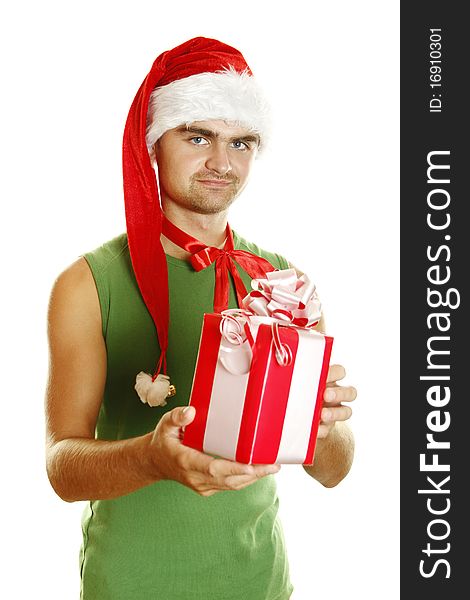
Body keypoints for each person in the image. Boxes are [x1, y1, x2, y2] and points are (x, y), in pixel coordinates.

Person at [45, 37, 356, 600]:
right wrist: (150, 458)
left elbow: (332, 471)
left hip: (259, 584)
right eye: (197, 137)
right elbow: (62, 467)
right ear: (153, 146)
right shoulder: (87, 283)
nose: (222, 162)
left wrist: (321, 420)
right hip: (130, 586)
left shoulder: (282, 283)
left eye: (241, 142)